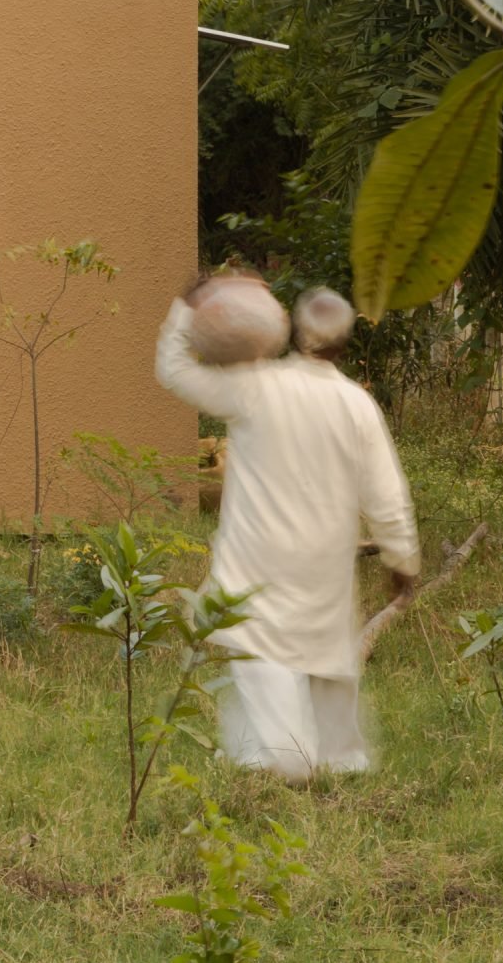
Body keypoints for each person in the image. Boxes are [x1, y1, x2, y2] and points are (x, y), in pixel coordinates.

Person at [156, 278, 420, 783]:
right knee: (328, 661)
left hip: (256, 559)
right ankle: (341, 763)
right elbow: (387, 497)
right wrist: (401, 562)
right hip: (323, 563)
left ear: (296, 334)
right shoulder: (357, 405)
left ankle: (287, 761)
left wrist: (186, 308)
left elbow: (174, 370)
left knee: (263, 657)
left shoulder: (257, 386)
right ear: (345, 344)